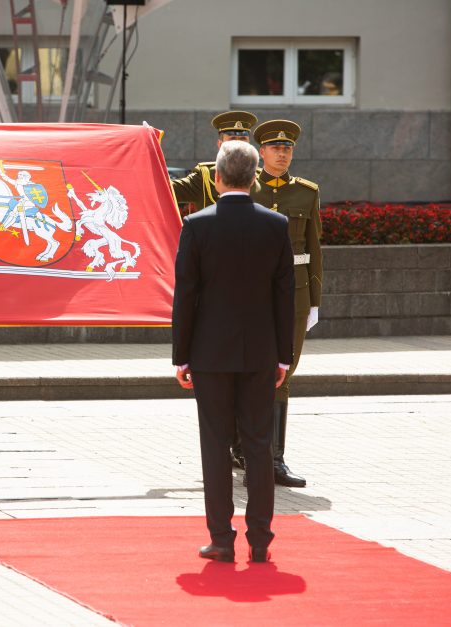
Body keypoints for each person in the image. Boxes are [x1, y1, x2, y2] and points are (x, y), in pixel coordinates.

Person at [172, 140, 295, 563]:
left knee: (215, 443)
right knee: (259, 444)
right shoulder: (276, 225)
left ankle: (221, 538)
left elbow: (185, 295)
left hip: (210, 355)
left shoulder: (198, 226)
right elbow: (285, 296)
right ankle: (260, 538)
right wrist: (284, 357)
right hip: (262, 354)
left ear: (218, 178)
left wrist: (181, 356)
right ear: (256, 178)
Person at [250, 119, 323, 489]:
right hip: (253, 296)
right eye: (275, 148)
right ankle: (251, 455)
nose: (282, 153)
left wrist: (314, 301)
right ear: (261, 152)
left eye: (288, 148)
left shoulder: (306, 194)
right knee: (253, 373)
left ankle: (274, 461)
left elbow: (314, 250)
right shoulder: (246, 189)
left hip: (294, 296)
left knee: (284, 372)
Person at [170, 110, 257, 214]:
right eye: (232, 139)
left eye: (243, 139)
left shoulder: (260, 177)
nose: (238, 144)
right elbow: (166, 190)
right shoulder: (205, 177)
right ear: (220, 145)